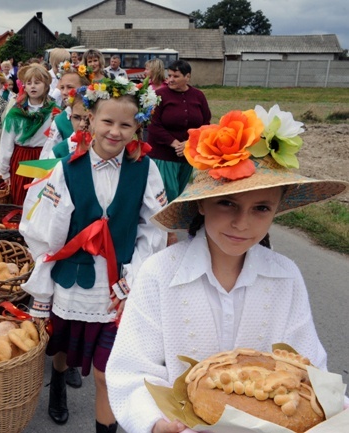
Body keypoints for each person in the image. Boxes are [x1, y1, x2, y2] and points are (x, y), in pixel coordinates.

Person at [106, 105, 348, 433]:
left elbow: (308, 370)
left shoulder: (285, 276)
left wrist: (333, 408)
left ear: (276, 210)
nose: (241, 223)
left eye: (261, 208)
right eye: (227, 203)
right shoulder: (159, 273)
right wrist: (154, 422)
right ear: (201, 203)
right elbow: (131, 371)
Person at [20, 77, 167, 433]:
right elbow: (43, 232)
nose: (115, 131)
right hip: (73, 283)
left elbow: (156, 226)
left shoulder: (146, 170)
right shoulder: (66, 168)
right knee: (60, 349)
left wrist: (135, 275)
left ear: (138, 128)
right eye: (107, 121)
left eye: (125, 124)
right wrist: (43, 284)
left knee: (108, 372)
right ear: (90, 121)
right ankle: (57, 387)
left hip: (117, 288)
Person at [148, 59, 211, 203]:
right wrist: (175, 143)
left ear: (187, 77)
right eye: (169, 76)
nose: (170, 79)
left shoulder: (198, 96)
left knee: (179, 193)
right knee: (168, 195)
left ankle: (171, 224)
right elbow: (153, 125)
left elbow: (205, 123)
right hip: (164, 155)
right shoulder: (160, 95)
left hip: (187, 156)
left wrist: (188, 144)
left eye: (175, 76)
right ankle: (163, 224)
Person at [0, 63, 59, 205]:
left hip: (43, 158)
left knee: (41, 200)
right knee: (20, 197)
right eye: (29, 83)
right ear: (24, 86)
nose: (33, 86)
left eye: (37, 83)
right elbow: (7, 141)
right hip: (21, 158)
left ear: (46, 86)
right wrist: (4, 170)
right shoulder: (16, 111)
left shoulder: (54, 111)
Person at [40, 62, 91, 159]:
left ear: (85, 87)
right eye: (62, 87)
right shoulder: (60, 120)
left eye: (70, 87)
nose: (64, 92)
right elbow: (47, 154)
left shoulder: (98, 114)